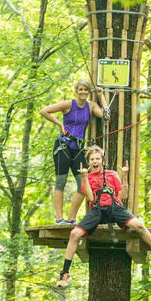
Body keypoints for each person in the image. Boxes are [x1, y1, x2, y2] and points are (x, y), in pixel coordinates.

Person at [58, 145, 151, 287]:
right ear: (88, 162)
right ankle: (65, 272)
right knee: (74, 234)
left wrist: (125, 176)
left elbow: (123, 195)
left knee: (139, 225)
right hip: (97, 209)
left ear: (102, 161)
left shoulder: (112, 174)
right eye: (92, 159)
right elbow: (90, 197)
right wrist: (84, 177)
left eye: (97, 159)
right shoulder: (87, 178)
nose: (95, 162)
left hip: (114, 207)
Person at [39, 80, 107, 224]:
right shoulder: (68, 104)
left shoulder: (90, 106)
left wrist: (101, 96)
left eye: (86, 90)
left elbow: (104, 115)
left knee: (83, 184)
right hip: (63, 146)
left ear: (89, 91)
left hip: (78, 149)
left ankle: (71, 218)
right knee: (61, 181)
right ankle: (59, 218)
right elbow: (44, 111)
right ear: (76, 90)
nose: (83, 92)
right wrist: (59, 123)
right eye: (80, 89)